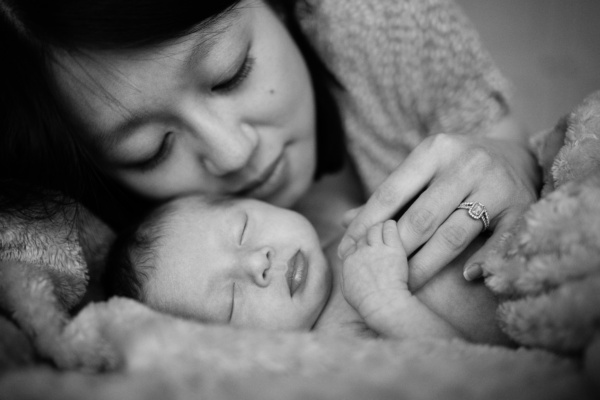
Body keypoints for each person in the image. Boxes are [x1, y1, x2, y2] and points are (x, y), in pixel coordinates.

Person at [1, 0, 540, 292]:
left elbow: (504, 148)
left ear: (279, 6)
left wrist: (513, 160)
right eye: (149, 150)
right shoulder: (83, 225)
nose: (233, 153)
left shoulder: (385, 21)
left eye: (231, 73)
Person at [105, 194, 510, 344]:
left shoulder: (346, 223)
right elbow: (467, 379)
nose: (257, 262)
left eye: (243, 228)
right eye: (230, 301)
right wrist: (386, 304)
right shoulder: (332, 349)